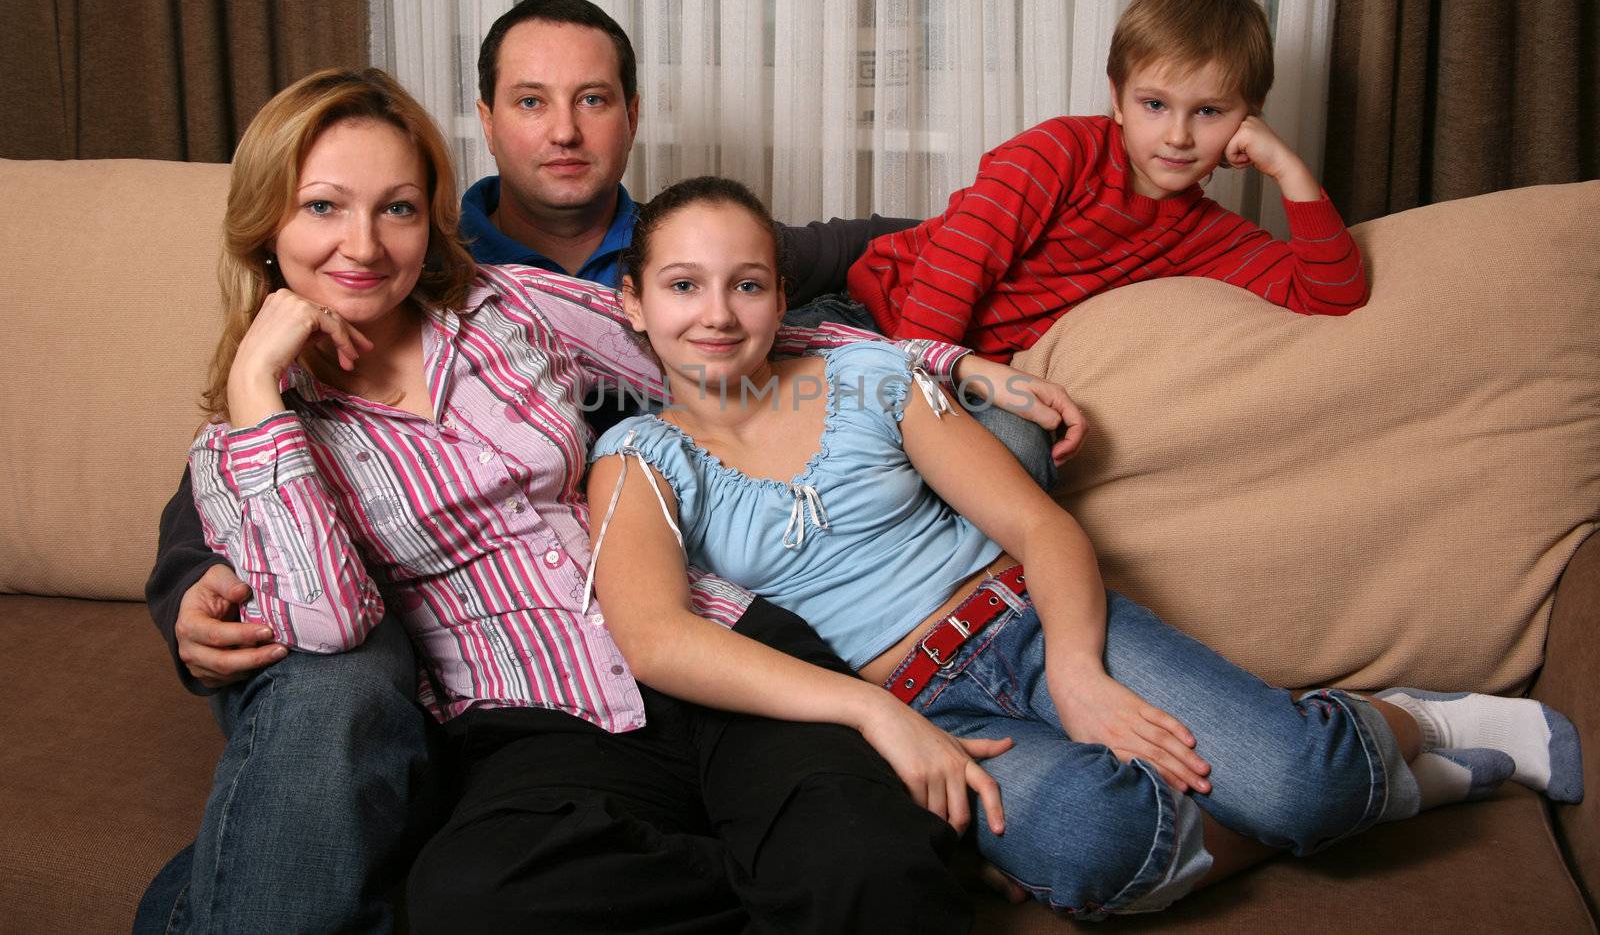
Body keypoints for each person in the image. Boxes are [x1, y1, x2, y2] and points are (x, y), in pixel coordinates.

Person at [140, 0, 1077, 930]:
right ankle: (784, 871)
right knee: (472, 902)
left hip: (717, 646)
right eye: (321, 208)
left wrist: (945, 361)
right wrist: (260, 390)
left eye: (395, 208)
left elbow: (727, 347)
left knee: (863, 874)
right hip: (528, 716)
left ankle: (829, 853)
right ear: (266, 224)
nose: (364, 244)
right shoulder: (245, 445)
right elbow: (332, 627)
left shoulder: (506, 308)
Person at [587, 176, 1585, 919]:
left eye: (746, 283)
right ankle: (1361, 786)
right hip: (909, 705)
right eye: (683, 285)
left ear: (778, 294)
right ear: (632, 303)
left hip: (1025, 622)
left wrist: (1075, 667)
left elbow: (1037, 523)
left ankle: (1407, 730)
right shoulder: (639, 452)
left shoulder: (873, 379)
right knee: (1099, 843)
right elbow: (656, 637)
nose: (716, 313)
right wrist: (868, 714)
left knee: (1299, 783)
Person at [848, 0, 1370, 361]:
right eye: (1155, 105)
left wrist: (1289, 170)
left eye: (1209, 112)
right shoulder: (1061, 150)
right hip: (886, 318)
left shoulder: (1211, 237)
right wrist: (913, 389)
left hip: (970, 369)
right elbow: (959, 262)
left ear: (1247, 120)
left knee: (1028, 450)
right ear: (1118, 99)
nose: (1178, 136)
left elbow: (1332, 298)